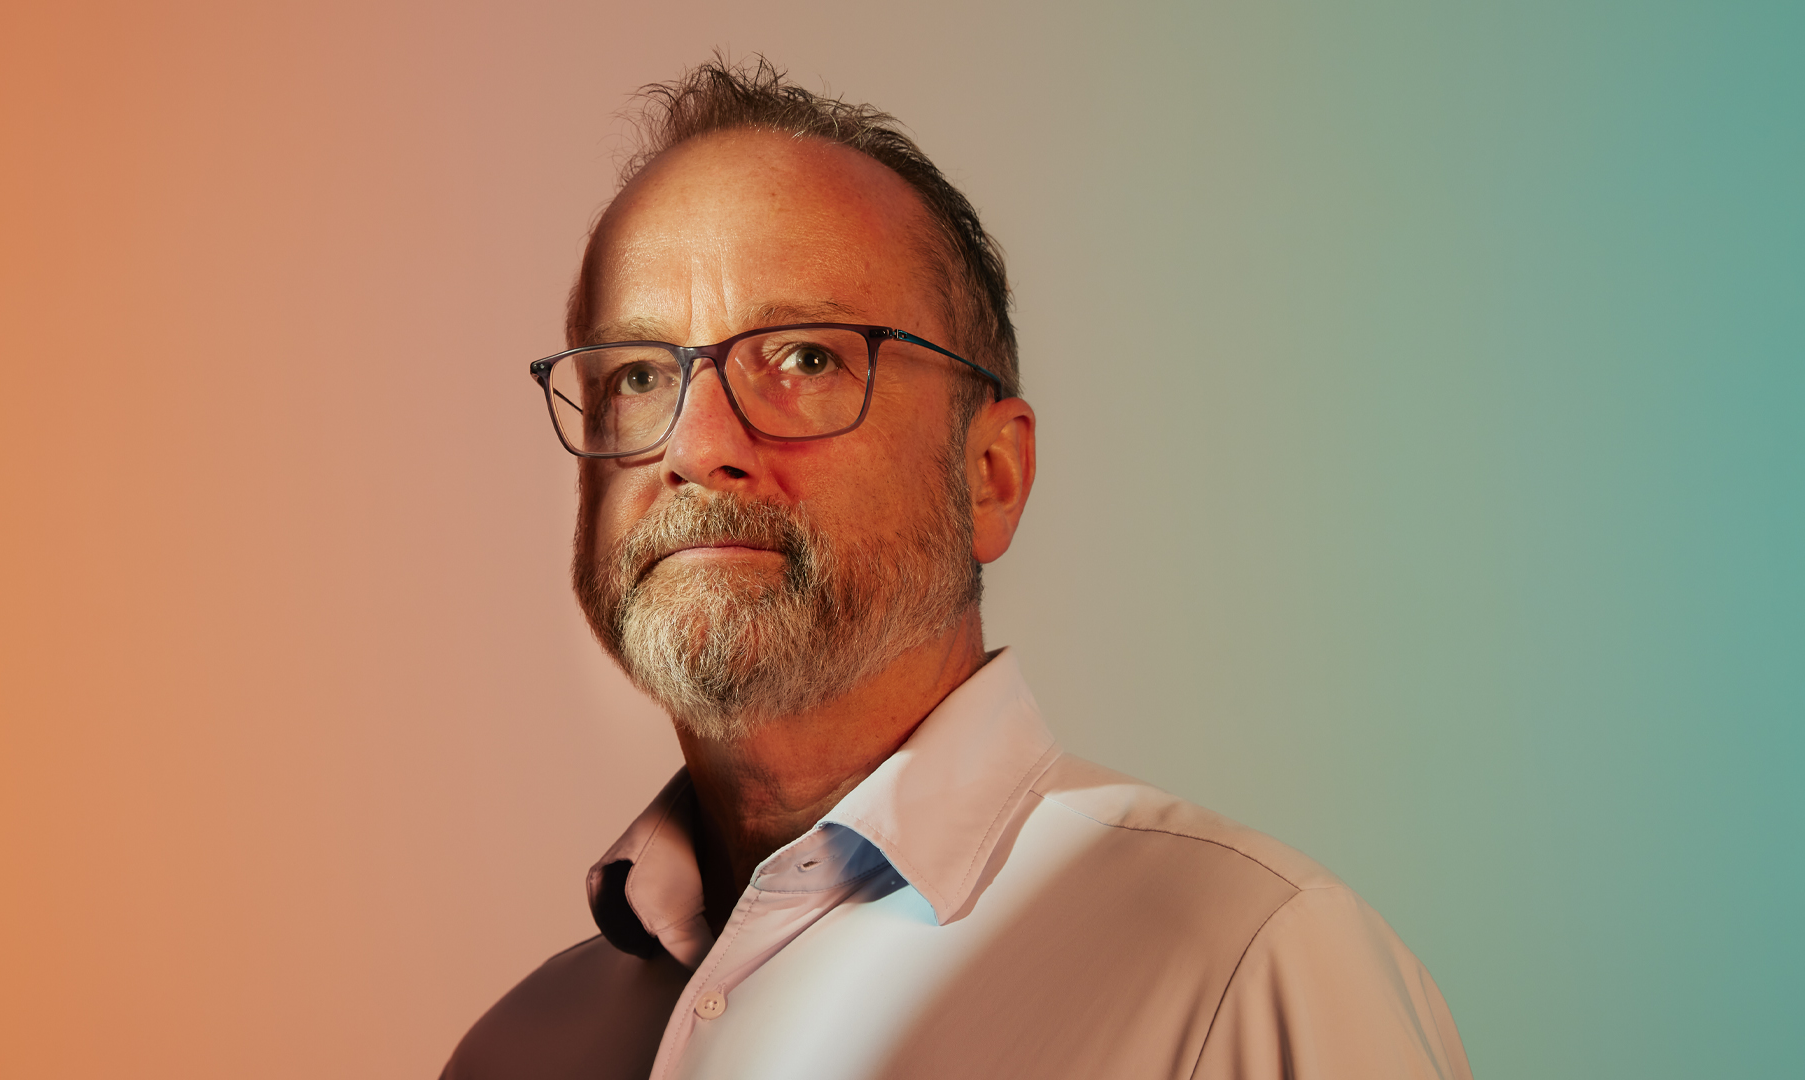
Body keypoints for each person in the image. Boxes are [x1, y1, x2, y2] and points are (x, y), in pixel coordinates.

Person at [441, 57, 1472, 1080]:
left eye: (806, 357)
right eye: (635, 374)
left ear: (991, 476)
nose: (695, 445)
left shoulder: (1252, 969)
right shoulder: (513, 1053)